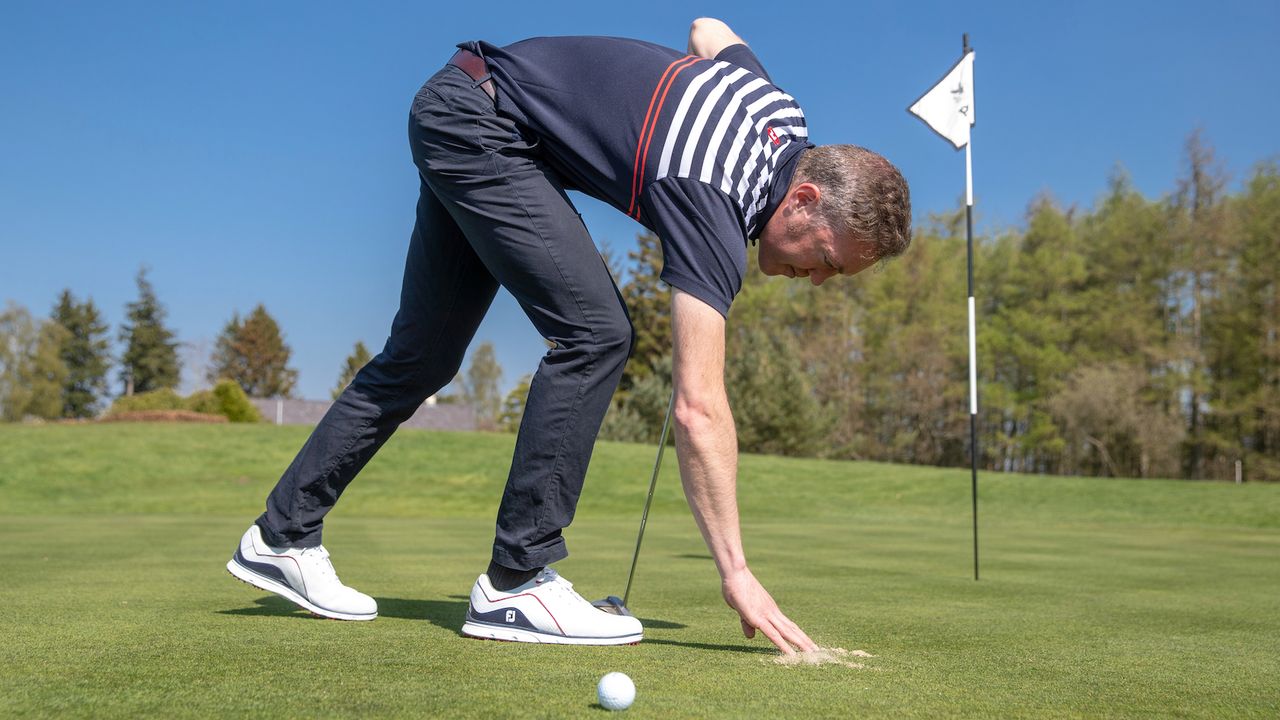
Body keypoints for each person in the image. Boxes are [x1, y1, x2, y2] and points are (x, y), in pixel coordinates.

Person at [227, 18, 910, 654]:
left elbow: (710, 27)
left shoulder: (779, 112)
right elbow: (698, 406)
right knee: (597, 334)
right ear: (807, 200)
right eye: (826, 260)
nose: (817, 280)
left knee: (423, 354)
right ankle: (515, 583)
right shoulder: (718, 194)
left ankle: (280, 535)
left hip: (460, 103)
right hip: (482, 127)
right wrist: (736, 571)